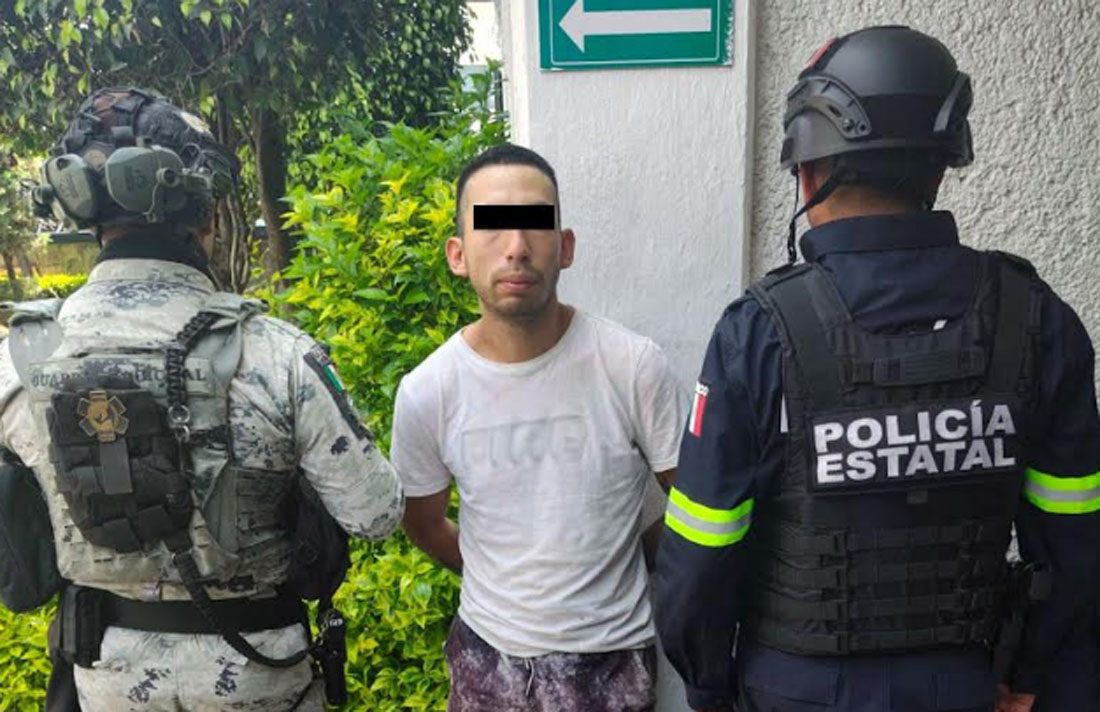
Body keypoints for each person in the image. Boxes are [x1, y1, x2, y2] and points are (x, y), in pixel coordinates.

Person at [654, 26, 1100, 712]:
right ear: (940, 169)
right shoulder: (1037, 320)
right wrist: (1034, 674)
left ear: (807, 171)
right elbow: (1076, 542)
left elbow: (700, 554)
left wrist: (711, 688)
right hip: (968, 683)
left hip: (795, 688)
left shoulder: (759, 331)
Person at [0, 87, 404, 711]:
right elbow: (376, 514)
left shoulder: (17, 359)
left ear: (81, 212)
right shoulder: (279, 354)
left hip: (106, 677)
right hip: (261, 673)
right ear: (208, 216)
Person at [391, 143, 685, 712]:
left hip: (613, 669)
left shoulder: (632, 366)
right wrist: (504, 580)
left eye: (535, 223)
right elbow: (423, 523)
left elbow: (697, 503)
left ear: (565, 247)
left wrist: (626, 557)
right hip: (486, 665)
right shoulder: (428, 391)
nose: (517, 247)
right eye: (493, 226)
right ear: (457, 254)